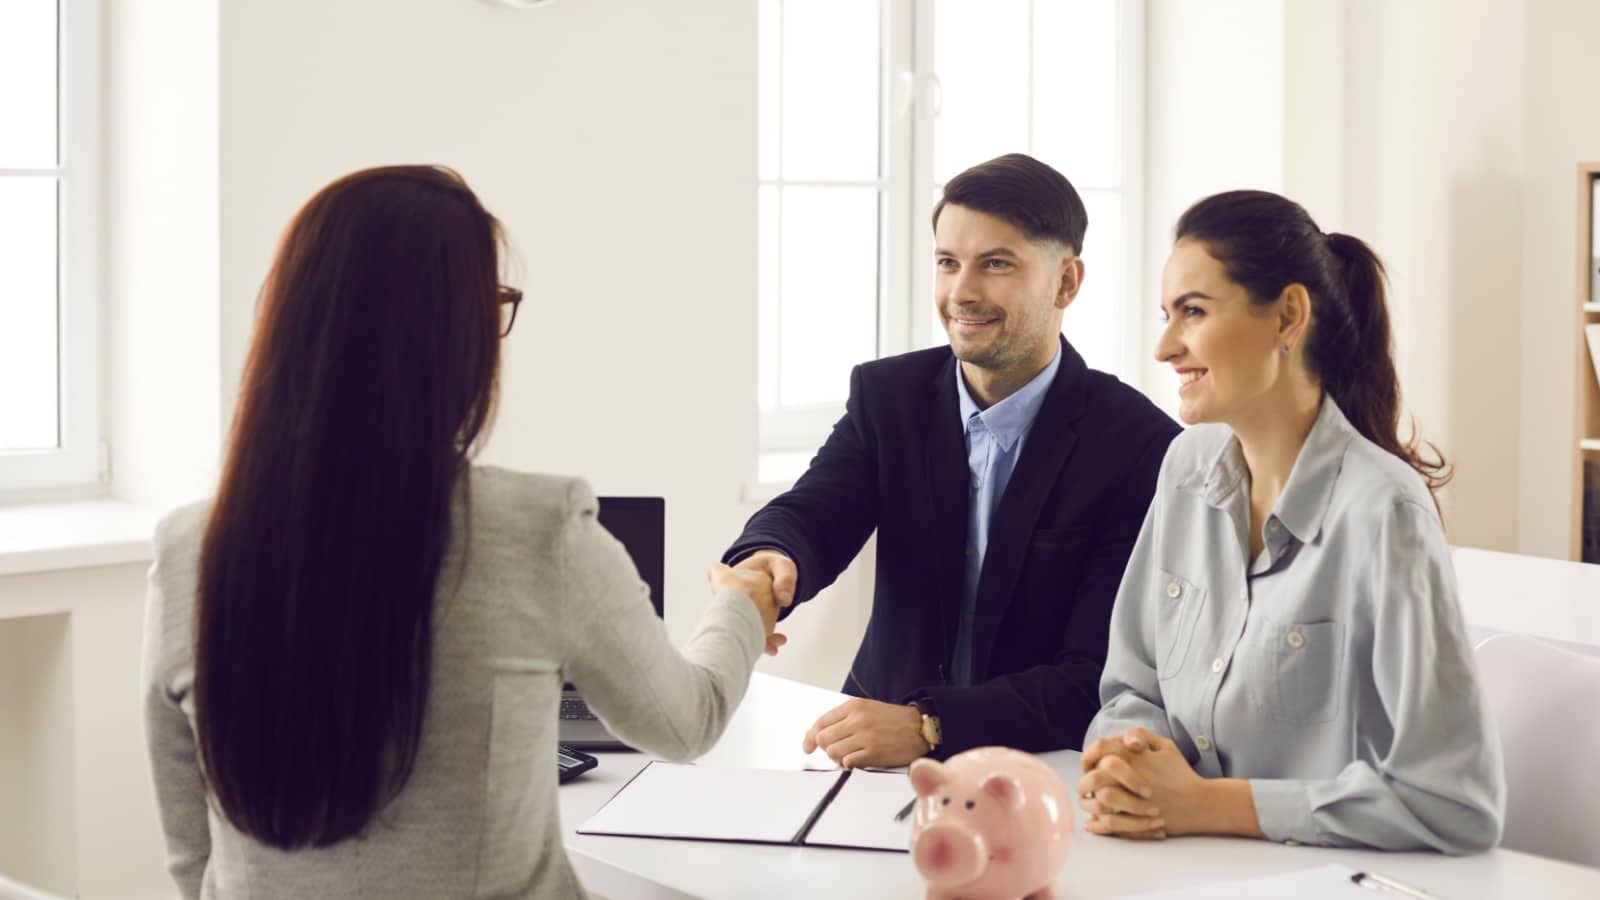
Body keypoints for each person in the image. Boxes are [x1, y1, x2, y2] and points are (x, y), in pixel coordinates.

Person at [141, 165, 782, 899]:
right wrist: (743, 601)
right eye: (494, 306)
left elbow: (191, 862)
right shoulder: (539, 530)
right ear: (454, 336)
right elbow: (685, 720)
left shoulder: (188, 552)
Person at [1077, 189, 1505, 854]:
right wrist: (1129, 760)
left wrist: (1206, 805)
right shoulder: (1185, 468)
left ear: (1287, 317)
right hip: (1171, 868)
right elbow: (1132, 686)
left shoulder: (1384, 512)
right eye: (1166, 315)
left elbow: (1455, 801)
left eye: (1192, 312)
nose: (1165, 346)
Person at [725, 153, 1180, 768]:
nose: (961, 293)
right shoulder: (888, 397)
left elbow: (1097, 675)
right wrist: (768, 561)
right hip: (876, 760)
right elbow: (816, 510)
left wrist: (930, 725)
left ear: (1067, 282)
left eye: (996, 265)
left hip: (1040, 770)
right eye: (947, 263)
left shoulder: (1140, 445)